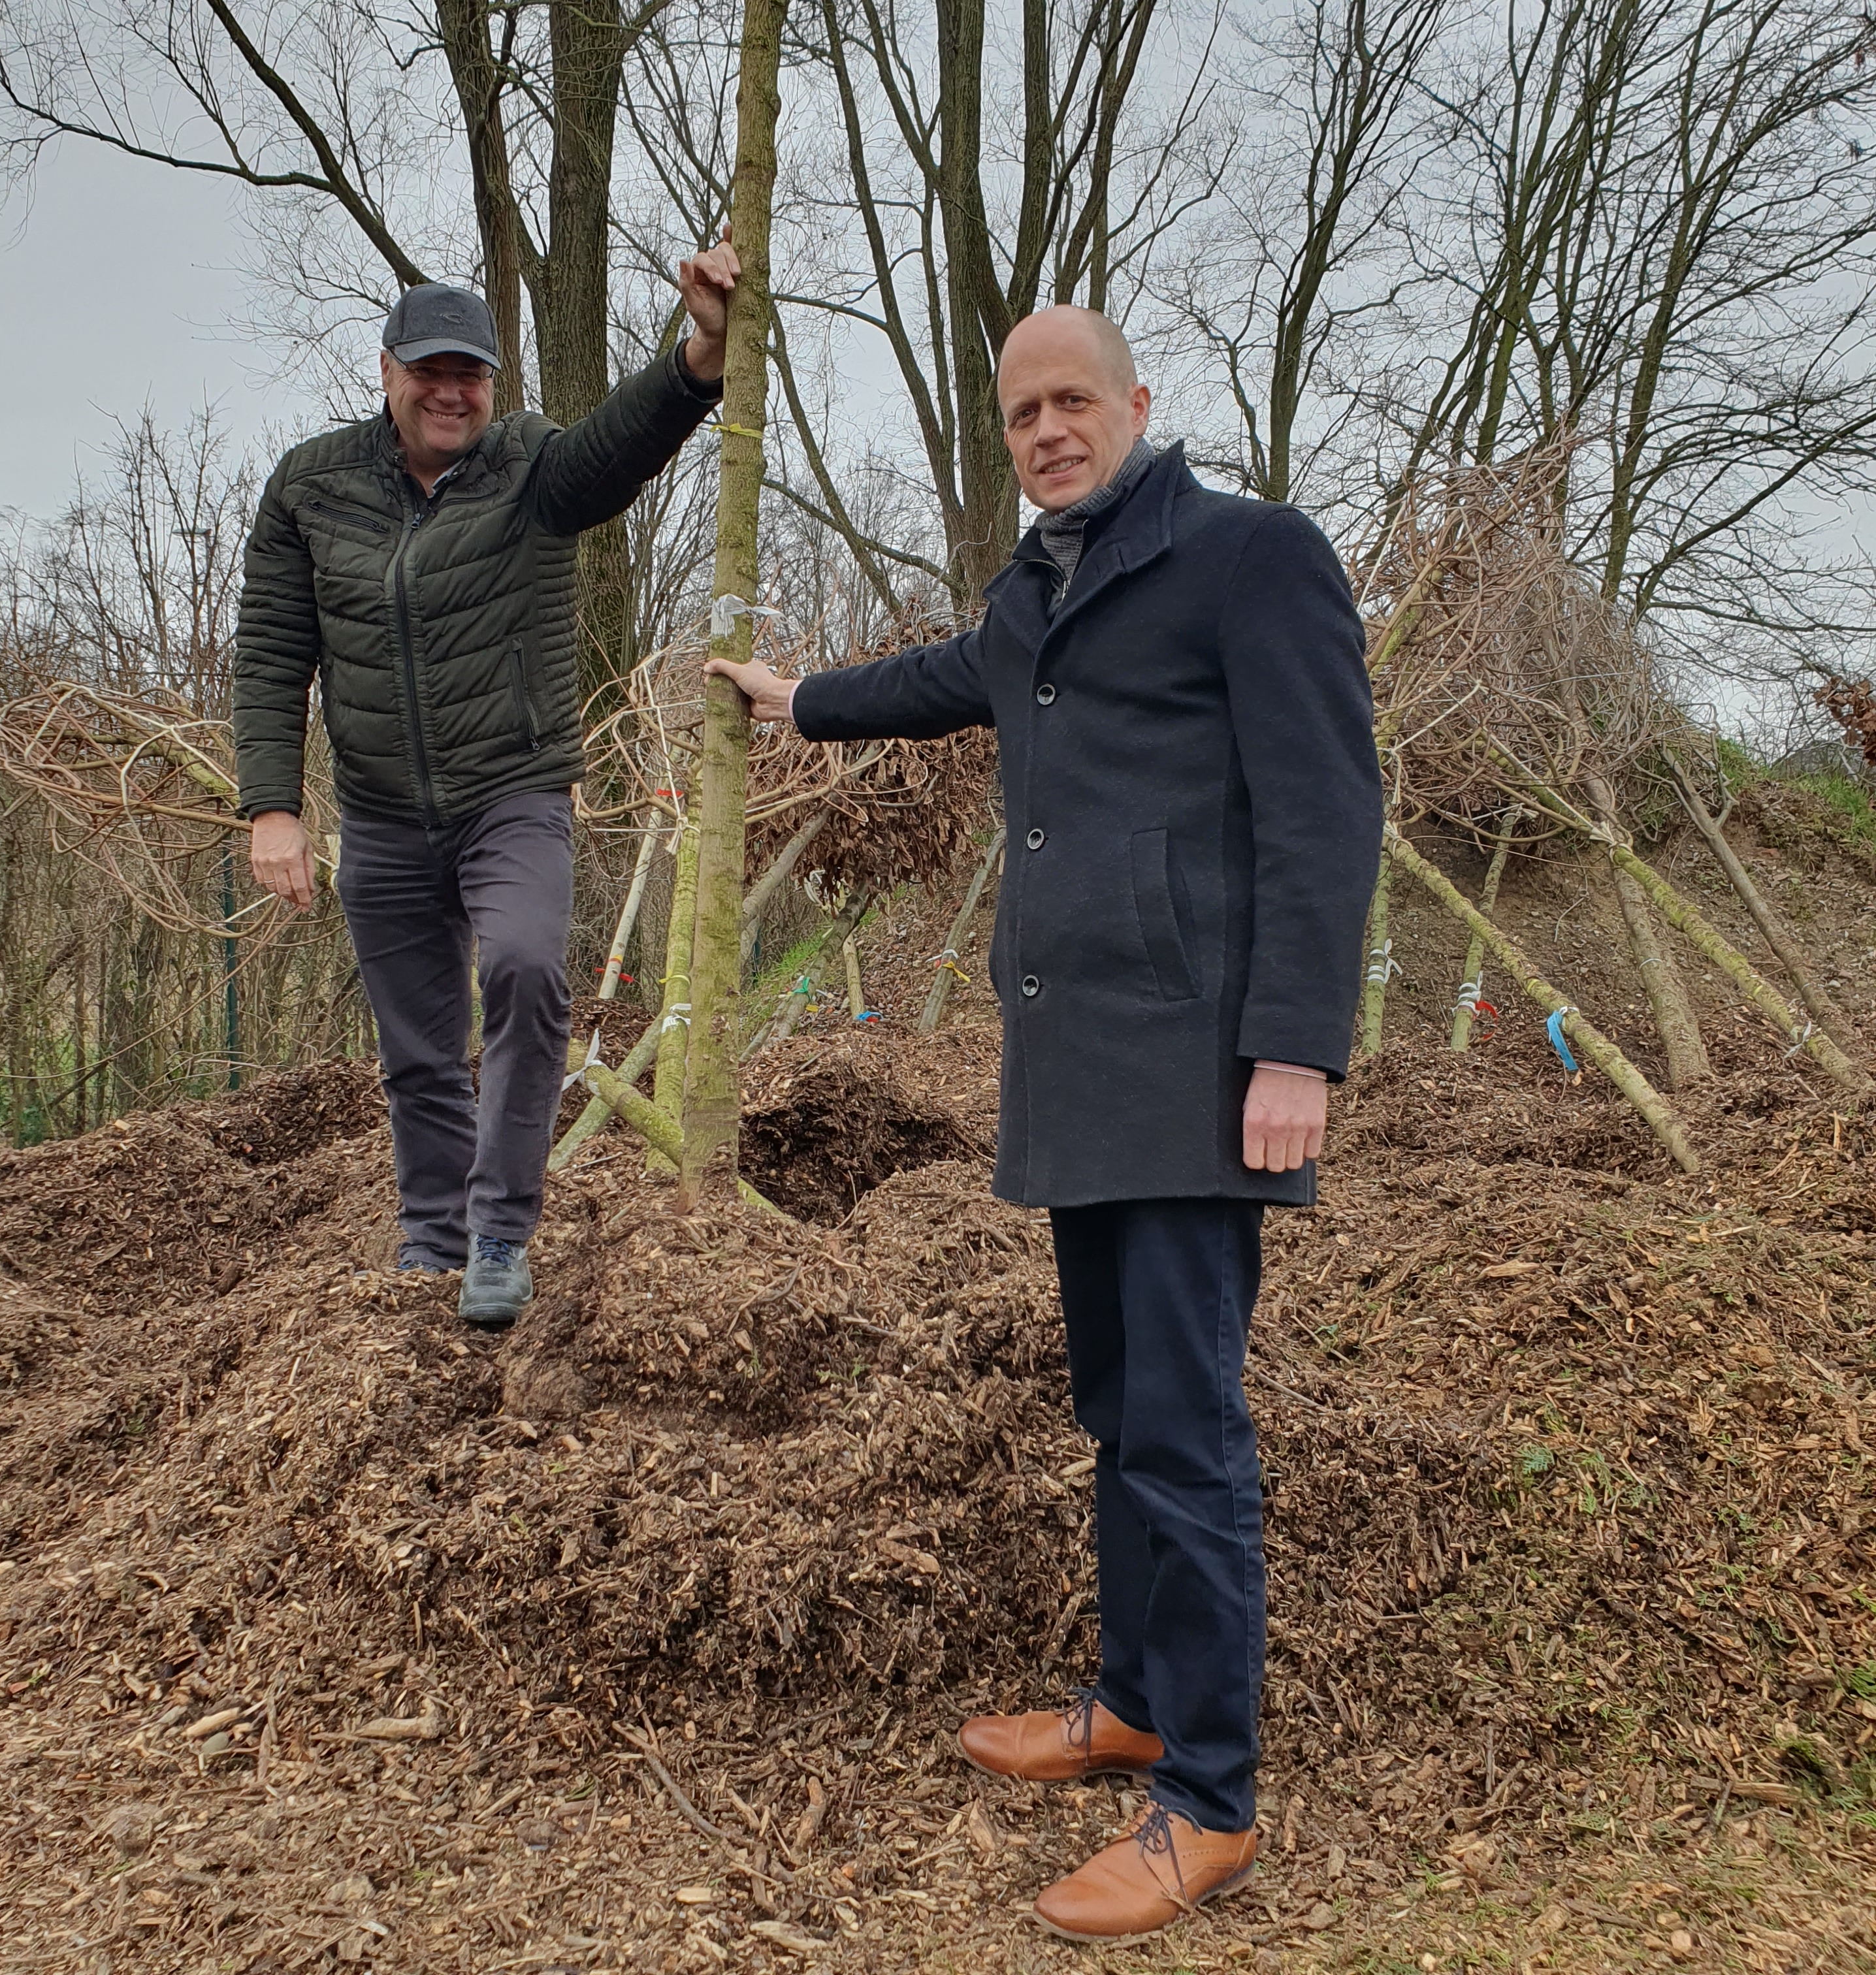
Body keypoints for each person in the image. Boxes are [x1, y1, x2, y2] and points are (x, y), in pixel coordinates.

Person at [708, 305, 1382, 1944]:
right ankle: (1136, 1700)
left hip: (1202, 1072)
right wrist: (797, 698)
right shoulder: (1039, 592)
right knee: (1117, 1407)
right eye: (1022, 414)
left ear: (1139, 405)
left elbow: (1325, 803)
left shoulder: (1248, 556)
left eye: (1073, 401)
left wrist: (1296, 1049)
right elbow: (944, 680)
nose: (1048, 431)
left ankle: (1207, 1799)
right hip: (1077, 1065)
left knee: (1189, 1430)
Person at [234, 239, 739, 1328]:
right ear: (387, 373)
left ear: (493, 386)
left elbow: (621, 444)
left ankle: (501, 1232)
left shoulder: (529, 468)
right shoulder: (311, 489)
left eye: (470, 374)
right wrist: (274, 802)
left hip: (514, 794)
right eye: (430, 371)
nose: (450, 392)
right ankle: (434, 1237)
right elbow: (274, 647)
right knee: (415, 1043)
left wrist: (699, 351)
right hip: (377, 812)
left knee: (523, 973)